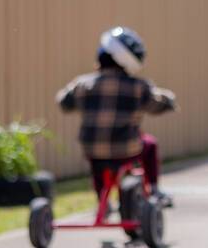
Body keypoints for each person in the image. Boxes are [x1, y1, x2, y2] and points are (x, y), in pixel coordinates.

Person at [56, 26, 177, 207]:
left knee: (97, 159)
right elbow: (157, 104)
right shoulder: (138, 86)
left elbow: (64, 102)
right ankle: (153, 188)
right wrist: (170, 101)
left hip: (92, 148)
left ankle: (102, 203)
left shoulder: (82, 84)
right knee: (149, 145)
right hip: (126, 149)